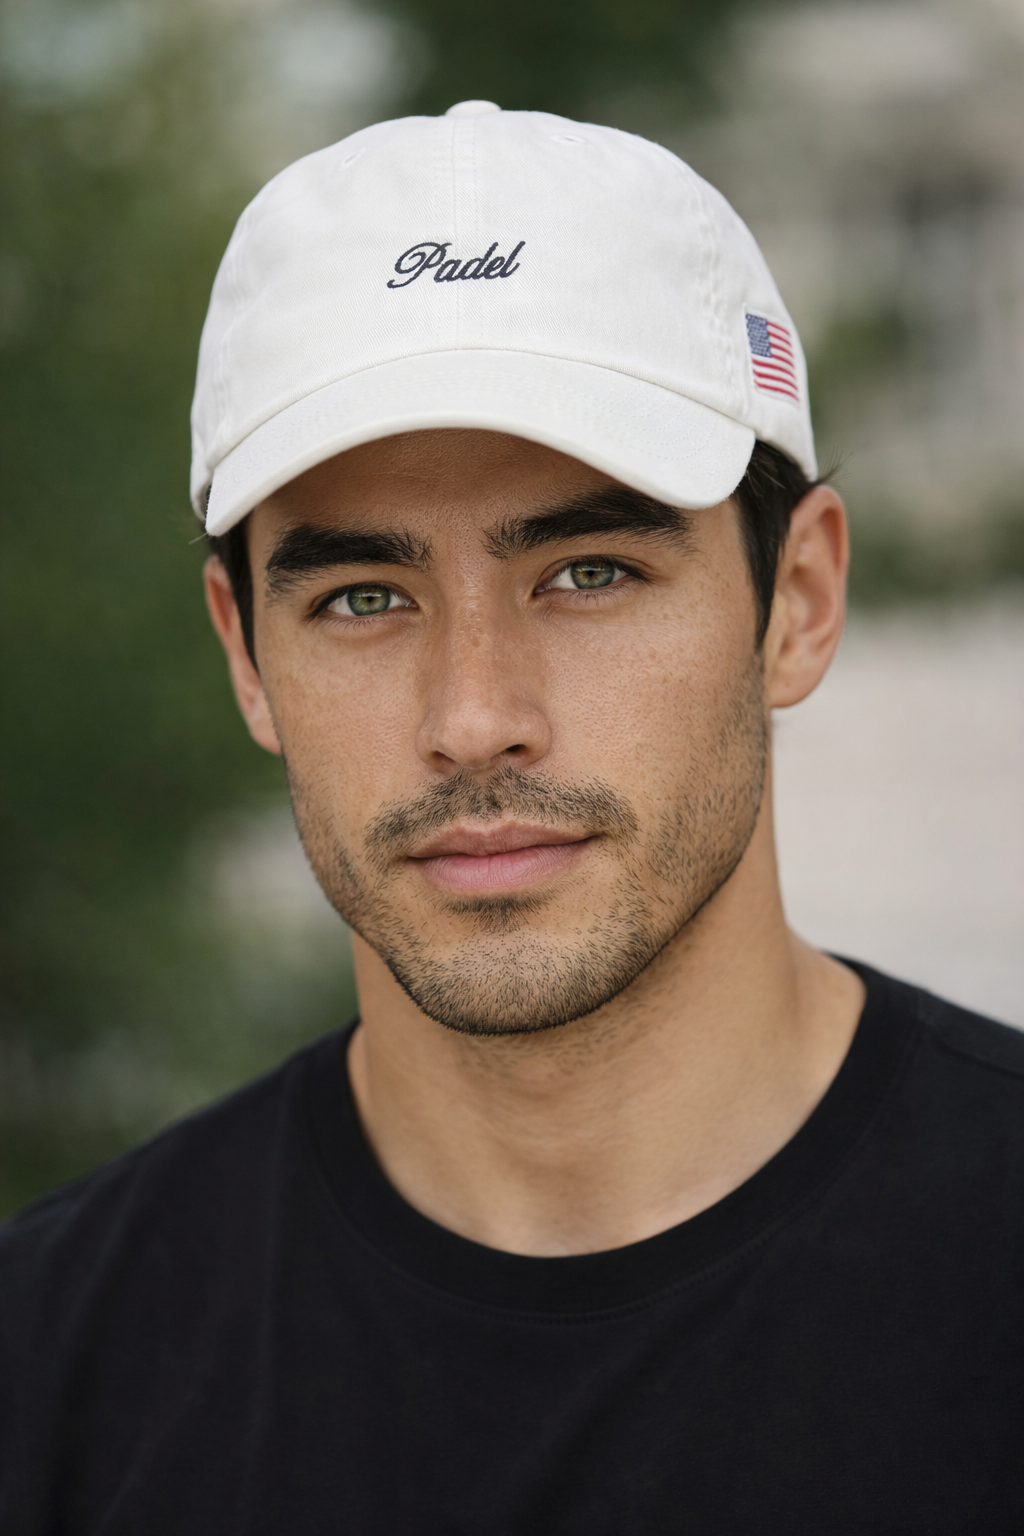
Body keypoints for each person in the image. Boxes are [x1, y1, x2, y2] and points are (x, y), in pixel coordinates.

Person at [2, 101, 1022, 1535]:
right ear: (246, 655)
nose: (475, 716)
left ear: (796, 601)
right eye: (363, 597)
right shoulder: (49, 1370)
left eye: (590, 573)